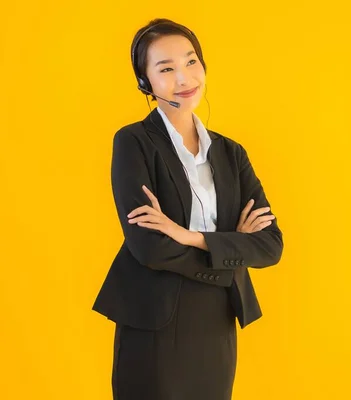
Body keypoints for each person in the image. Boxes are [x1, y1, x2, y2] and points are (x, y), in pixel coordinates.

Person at [92, 18, 284, 400]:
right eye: (166, 69)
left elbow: (270, 246)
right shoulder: (133, 142)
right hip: (153, 319)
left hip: (216, 321)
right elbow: (149, 247)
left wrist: (189, 236)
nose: (184, 77)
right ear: (145, 83)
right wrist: (229, 247)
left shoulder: (231, 153)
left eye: (191, 61)